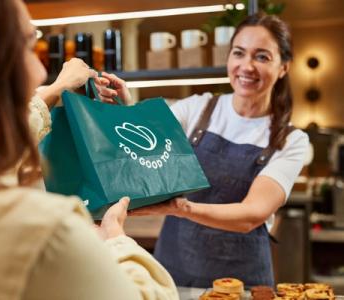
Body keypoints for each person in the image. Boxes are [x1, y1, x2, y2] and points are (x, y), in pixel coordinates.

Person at [0, 0, 178, 299]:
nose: (41, 72)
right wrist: (116, 239)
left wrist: (59, 93)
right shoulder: (44, 232)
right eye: (29, 46)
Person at [103, 14, 309, 288]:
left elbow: (252, 214)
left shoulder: (290, 139)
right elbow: (143, 143)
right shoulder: (196, 109)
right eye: (239, 53)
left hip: (243, 283)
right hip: (173, 272)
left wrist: (182, 208)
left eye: (262, 57)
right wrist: (123, 110)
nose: (246, 66)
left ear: (283, 67)